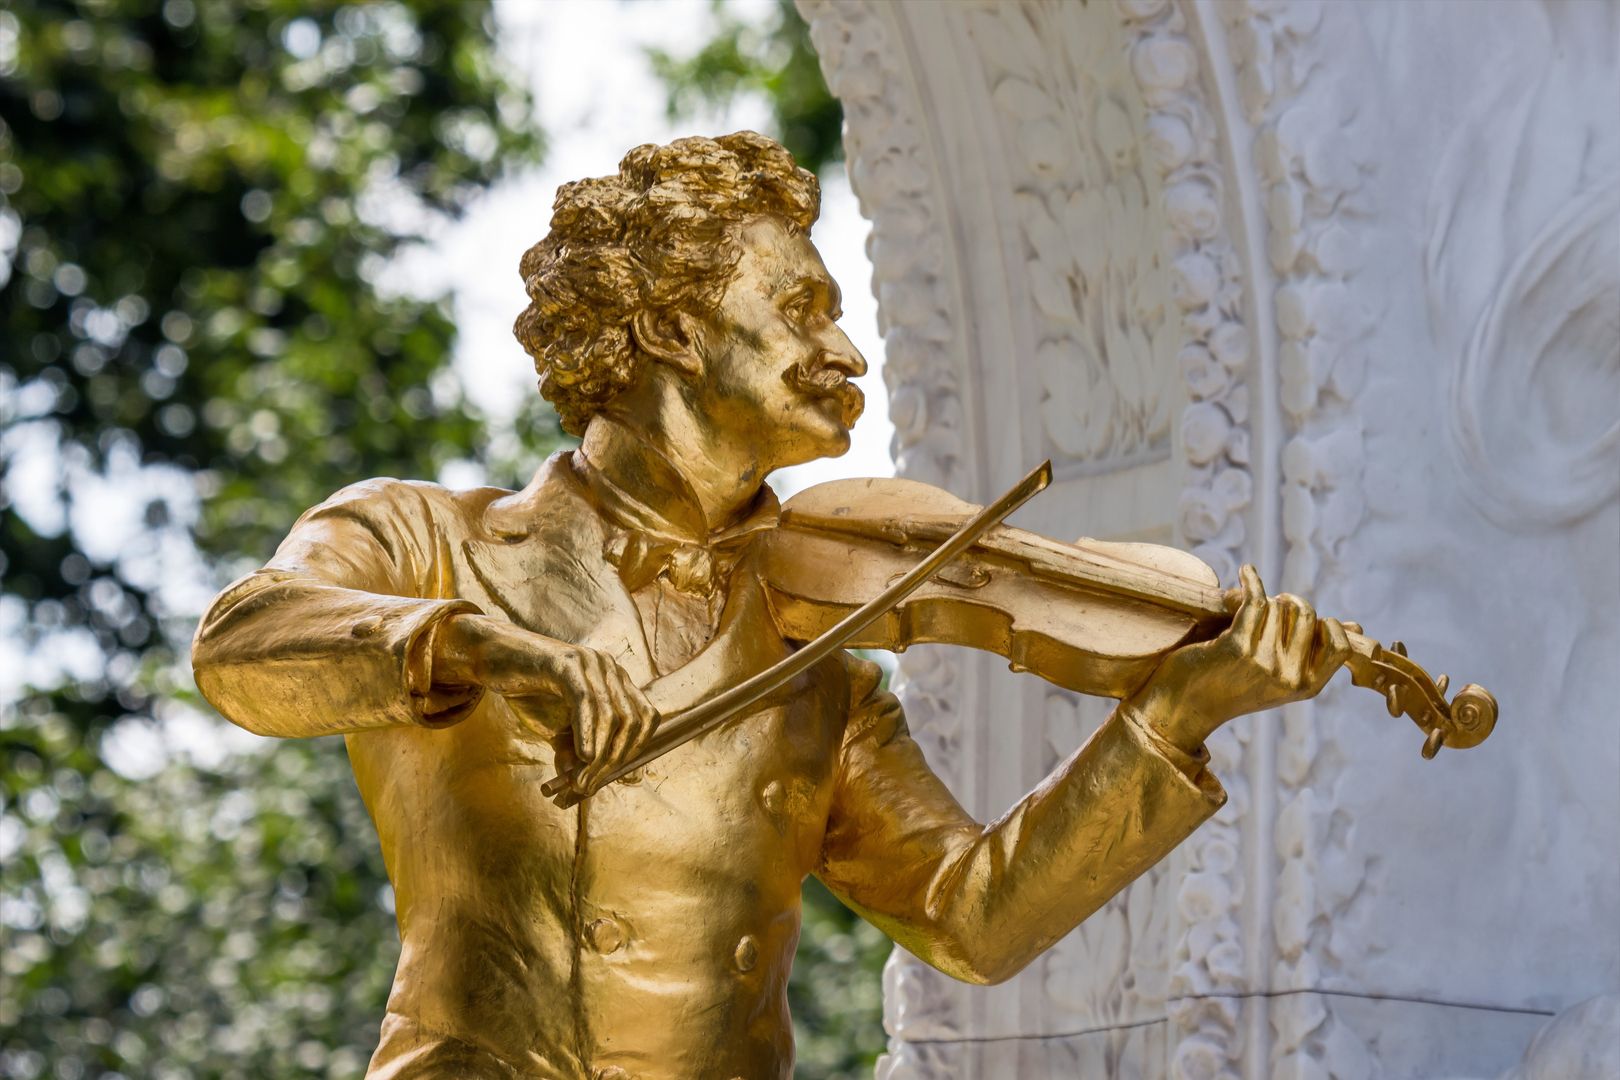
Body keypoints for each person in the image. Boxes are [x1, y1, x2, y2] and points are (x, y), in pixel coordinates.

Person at [191, 132, 1349, 1080]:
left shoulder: (825, 671)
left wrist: (1172, 719)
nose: (844, 350)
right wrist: (487, 648)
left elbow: (972, 916)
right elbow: (241, 645)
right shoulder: (428, 541)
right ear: (672, 330)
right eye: (801, 307)